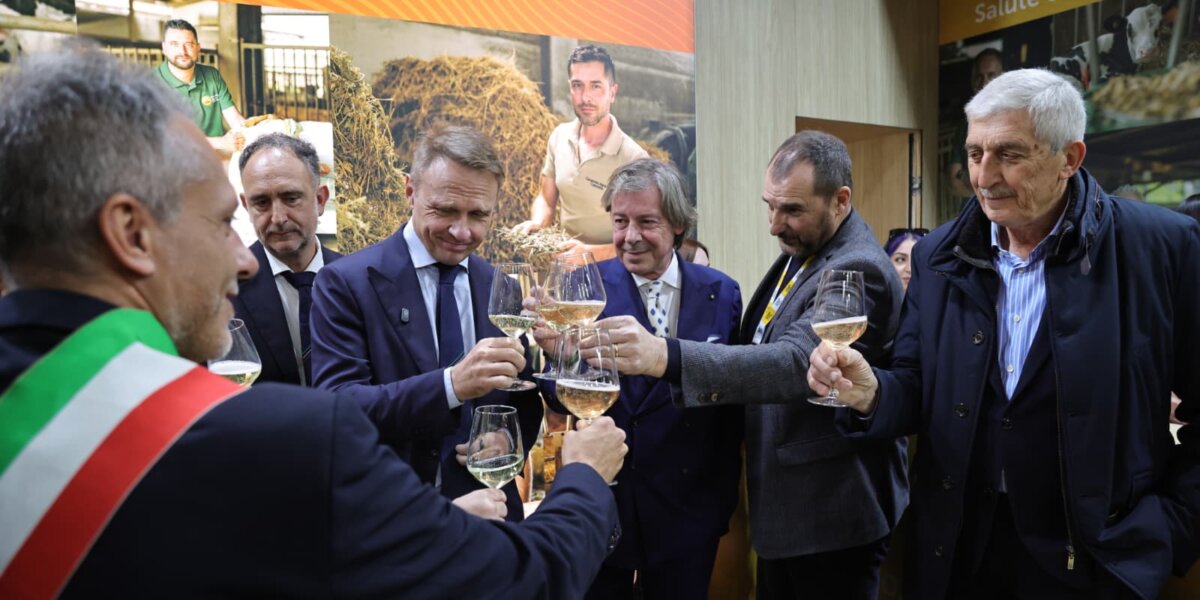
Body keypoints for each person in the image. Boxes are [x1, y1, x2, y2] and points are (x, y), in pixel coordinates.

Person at [0, 45, 629, 598]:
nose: (245, 259)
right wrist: (581, 478)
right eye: (223, 222)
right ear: (131, 233)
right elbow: (523, 580)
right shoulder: (267, 437)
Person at [809, 69, 1200, 599]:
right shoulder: (938, 255)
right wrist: (871, 393)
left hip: (1098, 559)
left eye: (1009, 154)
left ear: (1069, 158)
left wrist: (1170, 529)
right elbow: (919, 386)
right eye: (975, 153)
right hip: (958, 549)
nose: (985, 176)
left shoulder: (1162, 248)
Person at [595, 131, 908, 599]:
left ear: (840, 200)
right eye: (770, 206)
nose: (775, 225)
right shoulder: (807, 249)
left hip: (829, 515)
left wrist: (664, 355)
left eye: (792, 210)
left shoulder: (857, 268)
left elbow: (797, 361)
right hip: (785, 511)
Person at [310, 122, 543, 523]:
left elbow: (520, 397)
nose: (462, 230)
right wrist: (451, 385)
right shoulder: (345, 283)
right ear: (410, 191)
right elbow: (340, 407)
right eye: (445, 210)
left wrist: (508, 438)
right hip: (396, 523)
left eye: (478, 215)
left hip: (493, 524)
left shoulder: (500, 286)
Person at [536, 159, 743, 599]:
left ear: (679, 224)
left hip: (688, 509)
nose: (630, 236)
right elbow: (559, 397)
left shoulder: (721, 291)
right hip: (607, 505)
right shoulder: (584, 288)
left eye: (647, 222)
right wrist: (559, 358)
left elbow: (731, 398)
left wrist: (720, 500)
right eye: (620, 221)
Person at [514, 45, 648, 260]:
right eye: (578, 85)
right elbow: (546, 199)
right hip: (565, 263)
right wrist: (537, 223)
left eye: (596, 86)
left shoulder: (634, 159)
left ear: (612, 92)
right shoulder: (559, 136)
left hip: (614, 270)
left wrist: (589, 254)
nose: (585, 97)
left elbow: (643, 239)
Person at [231, 133, 340, 386]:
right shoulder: (223, 290)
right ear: (246, 207)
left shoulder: (361, 281)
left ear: (320, 199)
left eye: (291, 198)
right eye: (261, 203)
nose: (278, 218)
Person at [155, 19, 245, 155]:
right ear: (164, 48)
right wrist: (220, 142)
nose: (183, 51)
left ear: (198, 48)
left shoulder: (212, 75)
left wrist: (261, 130)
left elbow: (235, 119)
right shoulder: (151, 83)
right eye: (174, 44)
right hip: (172, 160)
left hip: (213, 157)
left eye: (189, 44)